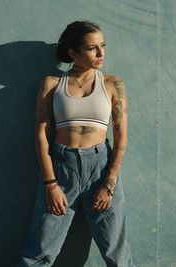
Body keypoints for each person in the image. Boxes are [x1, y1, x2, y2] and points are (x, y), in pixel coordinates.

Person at [17, 21, 134, 267]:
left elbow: (121, 137)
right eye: (93, 48)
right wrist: (50, 185)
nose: (101, 53)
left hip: (100, 168)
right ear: (73, 53)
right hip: (60, 168)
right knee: (39, 253)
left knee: (117, 255)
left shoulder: (113, 84)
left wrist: (109, 184)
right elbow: (41, 136)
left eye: (102, 46)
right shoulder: (51, 84)